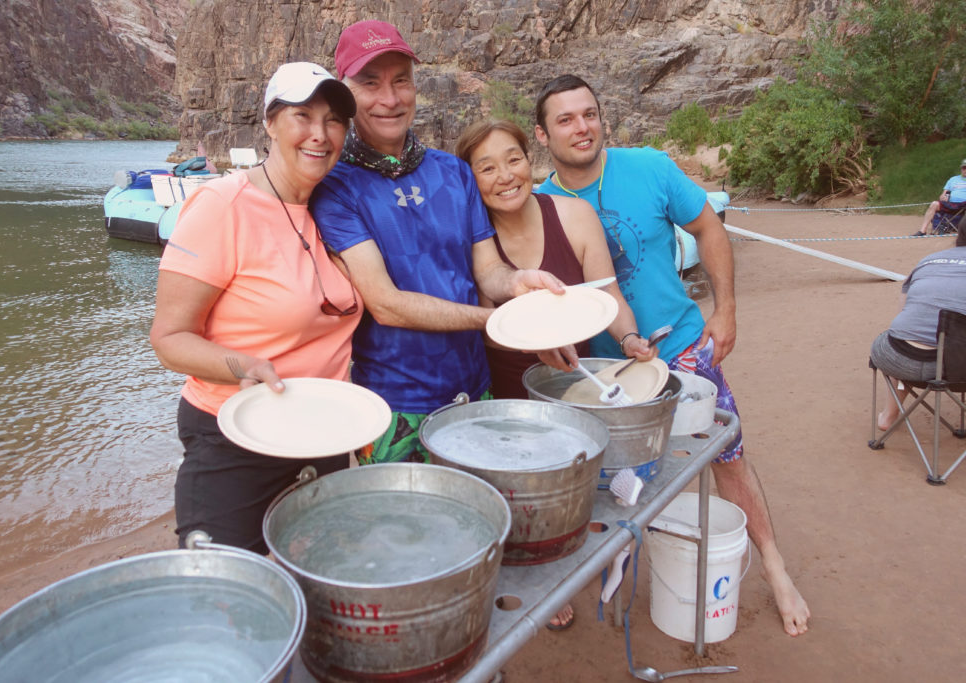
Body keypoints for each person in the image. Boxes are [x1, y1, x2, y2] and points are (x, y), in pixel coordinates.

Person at [532, 74, 811, 637]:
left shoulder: (650, 166)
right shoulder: (540, 202)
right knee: (599, 477)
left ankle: (776, 569)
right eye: (565, 119)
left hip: (681, 348)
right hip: (600, 371)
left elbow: (708, 226)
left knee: (727, 455)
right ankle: (606, 560)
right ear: (542, 134)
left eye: (589, 113)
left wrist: (726, 309)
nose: (581, 127)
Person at [311, 22, 568, 630]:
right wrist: (496, 320)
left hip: (469, 391)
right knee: (404, 543)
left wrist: (520, 284)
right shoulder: (337, 189)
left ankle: (476, 641)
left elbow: (489, 272)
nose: (390, 97)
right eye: (370, 83)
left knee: (472, 524)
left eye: (401, 81)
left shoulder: (453, 174)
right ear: (345, 93)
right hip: (394, 405)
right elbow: (386, 303)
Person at [149, 62, 362, 554]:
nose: (320, 134)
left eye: (333, 120)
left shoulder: (335, 206)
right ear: (269, 122)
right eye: (302, 115)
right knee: (225, 594)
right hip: (235, 434)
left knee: (311, 576)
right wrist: (242, 365)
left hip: (321, 431)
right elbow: (169, 338)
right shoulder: (222, 205)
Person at [454, 118, 657, 398]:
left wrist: (629, 339)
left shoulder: (577, 216)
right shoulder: (472, 239)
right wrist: (544, 338)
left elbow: (608, 294)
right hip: (507, 397)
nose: (505, 176)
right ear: (468, 179)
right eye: (487, 168)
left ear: (529, 160)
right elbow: (488, 332)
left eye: (514, 160)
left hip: (578, 387)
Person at [873, 221, 966, 428]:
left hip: (901, 356)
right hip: (958, 366)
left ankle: (889, 414)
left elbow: (901, 316)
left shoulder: (927, 261)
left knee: (900, 337)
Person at [914, 159, 966, 236]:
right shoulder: (953, 179)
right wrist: (943, 197)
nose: (965, 170)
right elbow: (943, 195)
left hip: (964, 204)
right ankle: (922, 231)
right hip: (951, 204)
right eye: (964, 168)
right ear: (961, 169)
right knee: (934, 204)